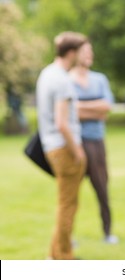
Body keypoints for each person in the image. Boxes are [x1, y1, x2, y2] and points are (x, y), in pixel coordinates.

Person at [36, 31, 88, 260]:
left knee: (64, 204)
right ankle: (64, 257)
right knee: (68, 206)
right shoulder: (62, 80)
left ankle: (55, 255)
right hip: (64, 149)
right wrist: (76, 150)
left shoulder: (47, 74)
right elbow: (62, 123)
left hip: (50, 146)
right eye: (80, 51)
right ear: (71, 53)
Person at [69, 40, 118, 244]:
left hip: (97, 143)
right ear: (74, 54)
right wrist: (94, 108)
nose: (90, 55)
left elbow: (107, 107)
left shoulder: (99, 79)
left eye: (91, 51)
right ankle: (68, 236)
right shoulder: (67, 80)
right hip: (75, 143)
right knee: (71, 193)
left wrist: (81, 107)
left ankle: (107, 233)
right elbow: (70, 111)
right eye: (85, 52)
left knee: (102, 188)